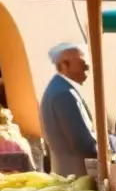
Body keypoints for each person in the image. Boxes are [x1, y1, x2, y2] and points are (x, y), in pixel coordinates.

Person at [39, 43, 98, 176]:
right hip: (75, 174)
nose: (87, 66)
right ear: (64, 65)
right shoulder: (64, 93)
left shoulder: (61, 88)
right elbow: (82, 143)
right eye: (82, 62)